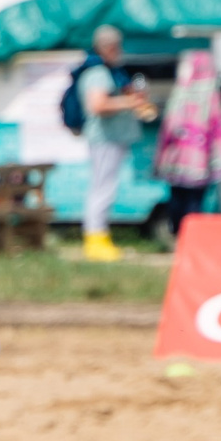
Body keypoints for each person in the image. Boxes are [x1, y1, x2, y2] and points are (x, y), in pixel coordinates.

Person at [77, 24, 156, 262]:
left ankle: (99, 237)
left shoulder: (108, 71)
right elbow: (98, 105)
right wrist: (130, 103)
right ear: (109, 47)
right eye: (117, 47)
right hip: (105, 139)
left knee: (104, 187)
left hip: (112, 138)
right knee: (103, 188)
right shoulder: (98, 73)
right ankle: (95, 239)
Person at [153, 48, 221, 242]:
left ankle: (177, 235)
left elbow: (169, 126)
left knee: (177, 197)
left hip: (176, 158)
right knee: (195, 201)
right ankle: (191, 241)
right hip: (200, 160)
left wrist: (164, 154)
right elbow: (217, 126)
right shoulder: (211, 93)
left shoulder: (181, 90)